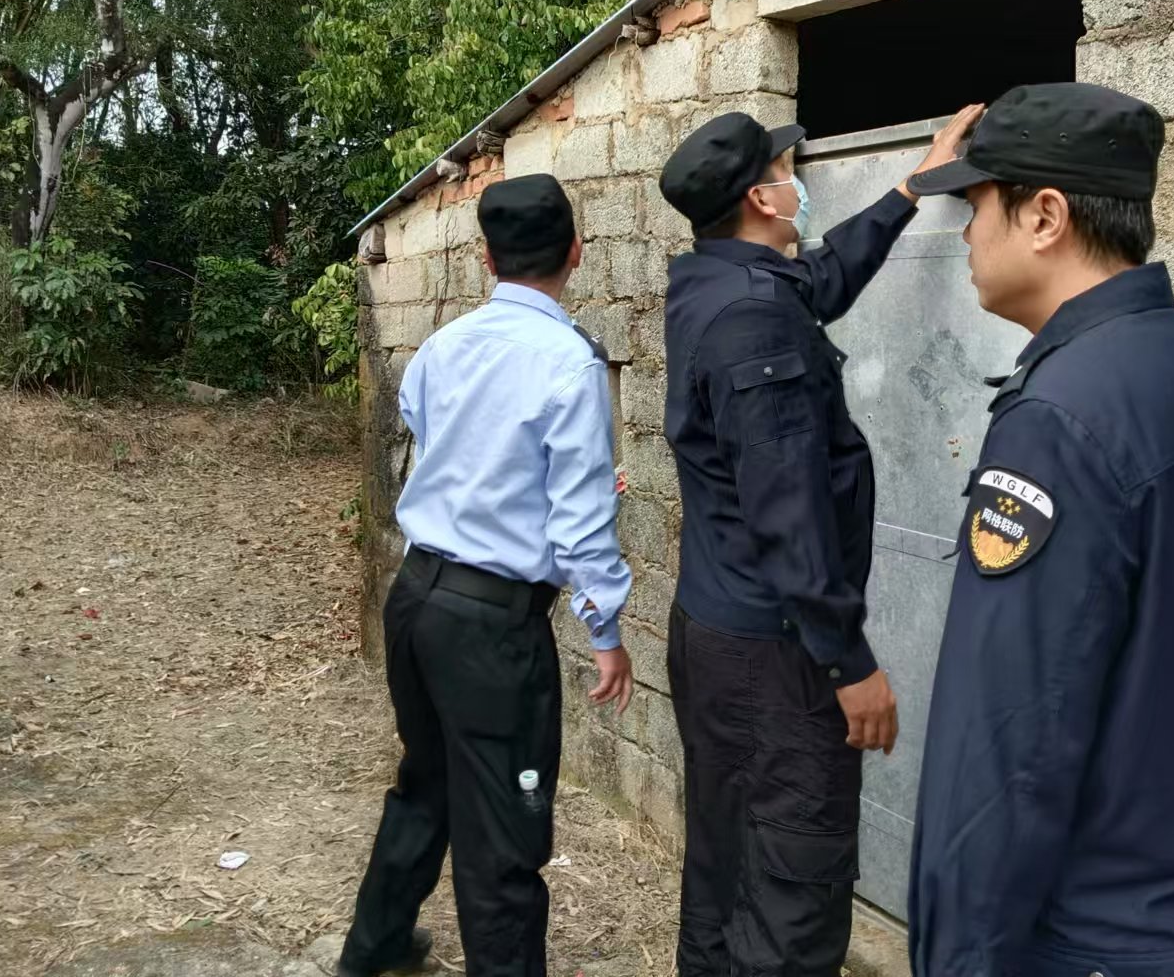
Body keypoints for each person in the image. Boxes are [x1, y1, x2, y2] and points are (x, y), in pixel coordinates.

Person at [904, 83, 1174, 977]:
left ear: (1045, 216)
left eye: (976, 204)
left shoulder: (1059, 417)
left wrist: (956, 958)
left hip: (1095, 931)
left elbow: (1006, 742)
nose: (966, 233)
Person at [657, 106, 979, 977]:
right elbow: (788, 511)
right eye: (786, 169)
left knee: (726, 858)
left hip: (719, 630)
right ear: (762, 199)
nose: (798, 179)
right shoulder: (752, 316)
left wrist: (912, 185)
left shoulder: (713, 284)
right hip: (776, 654)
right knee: (793, 889)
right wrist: (850, 662)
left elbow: (822, 277)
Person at [336, 174, 635, 977]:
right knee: (503, 827)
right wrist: (605, 630)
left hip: (417, 599)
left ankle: (373, 949)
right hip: (491, 627)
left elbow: (429, 433)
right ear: (577, 252)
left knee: (427, 779)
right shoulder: (569, 364)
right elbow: (579, 521)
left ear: (486, 259)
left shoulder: (443, 346)